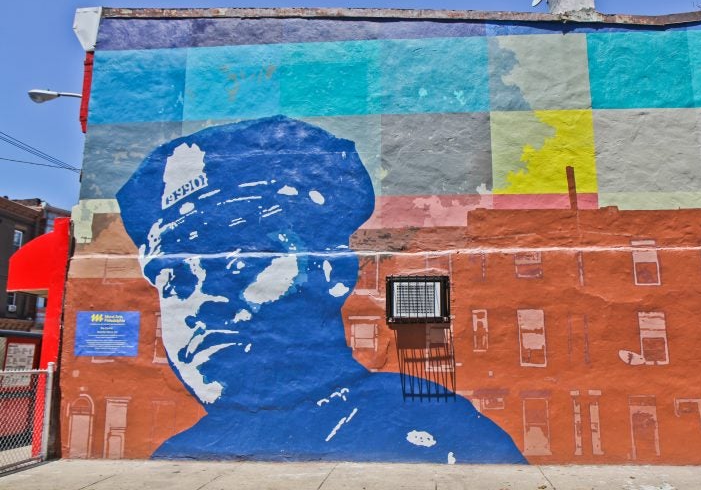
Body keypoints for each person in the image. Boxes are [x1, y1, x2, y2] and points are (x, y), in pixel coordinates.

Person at [117, 115, 526, 463]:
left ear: (333, 271)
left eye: (243, 261)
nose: (201, 302)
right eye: (174, 278)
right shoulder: (181, 454)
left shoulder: (438, 437)